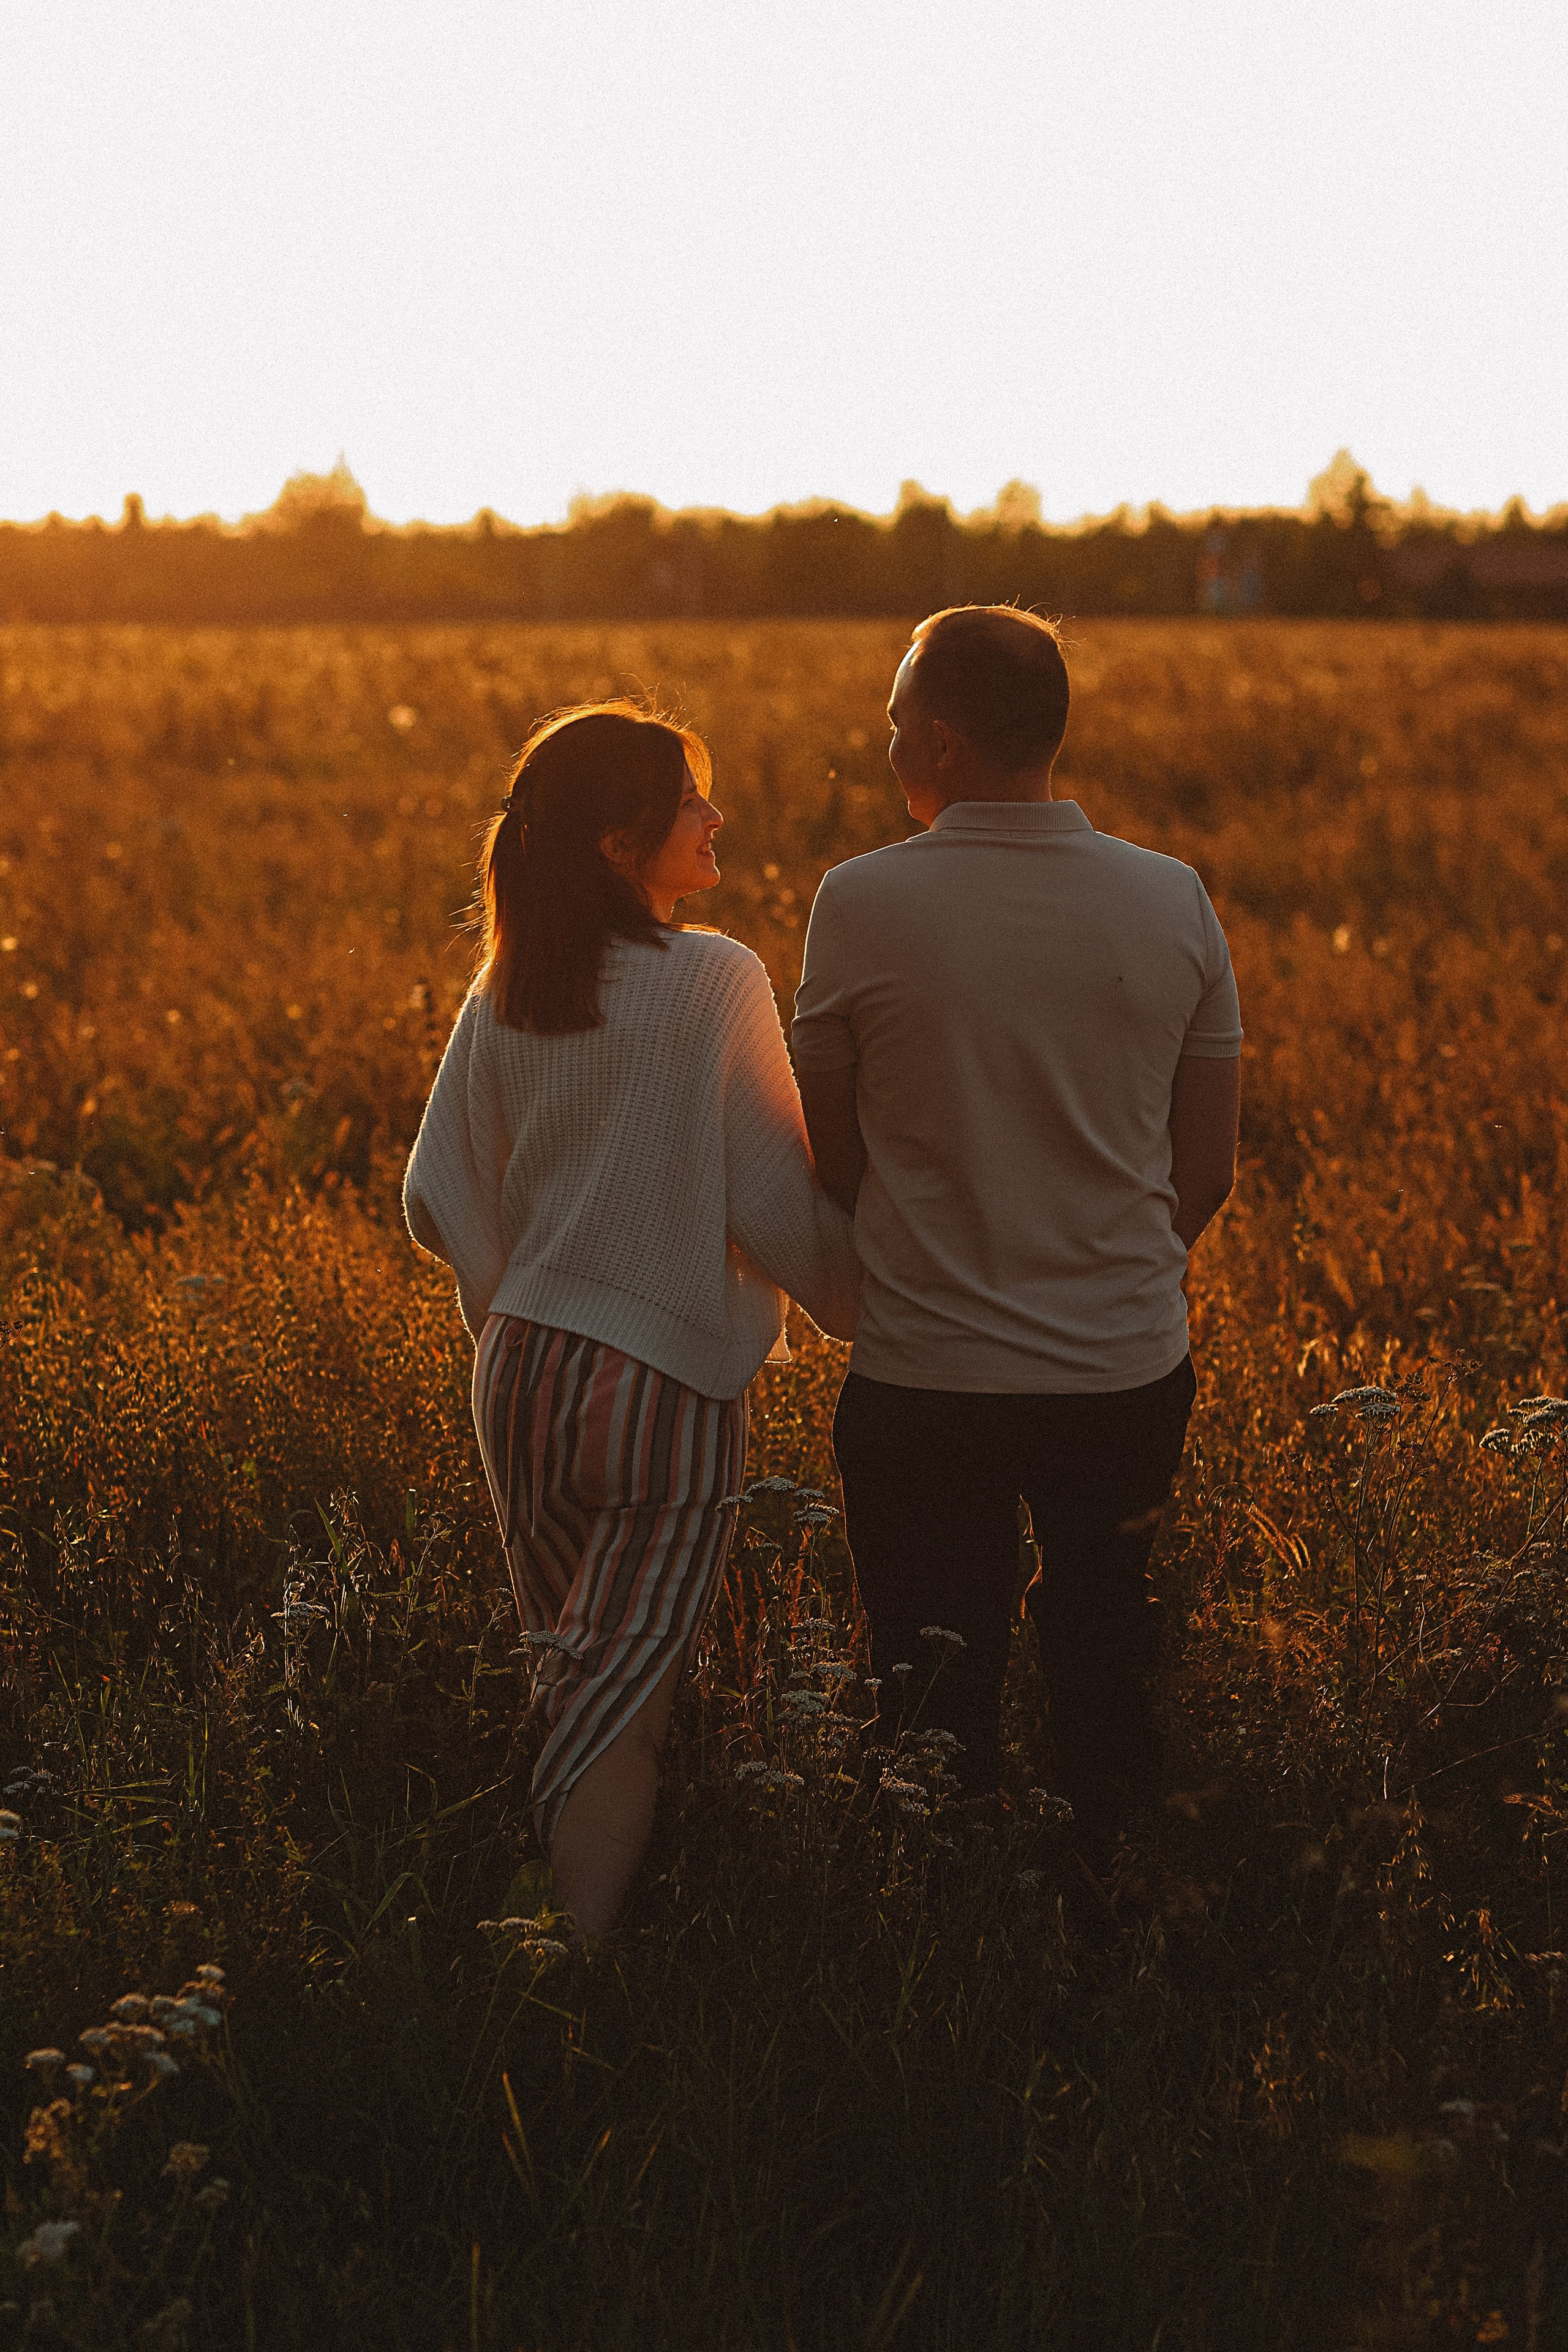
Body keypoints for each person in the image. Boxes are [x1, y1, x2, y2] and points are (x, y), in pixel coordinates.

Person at [404, 703, 858, 1934]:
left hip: (521, 1378)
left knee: (565, 1665)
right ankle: (574, 1981)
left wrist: (519, 1314)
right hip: (660, 1384)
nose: (715, 820)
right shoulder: (715, 978)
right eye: (689, 802)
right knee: (619, 1699)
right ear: (619, 844)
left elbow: (434, 1187)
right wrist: (864, 1301)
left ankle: (512, 1915)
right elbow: (770, 1196)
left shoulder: (513, 981)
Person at [792, 607, 1241, 1852]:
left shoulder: (859, 902)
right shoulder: (1172, 899)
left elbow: (833, 1150)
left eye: (893, 728)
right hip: (1120, 1368)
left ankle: (942, 1949)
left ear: (940, 745)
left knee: (930, 1694)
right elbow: (1200, 1170)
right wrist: (1093, 1276)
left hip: (923, 1374)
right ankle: (1116, 1926)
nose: (884, 749)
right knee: (1110, 1672)